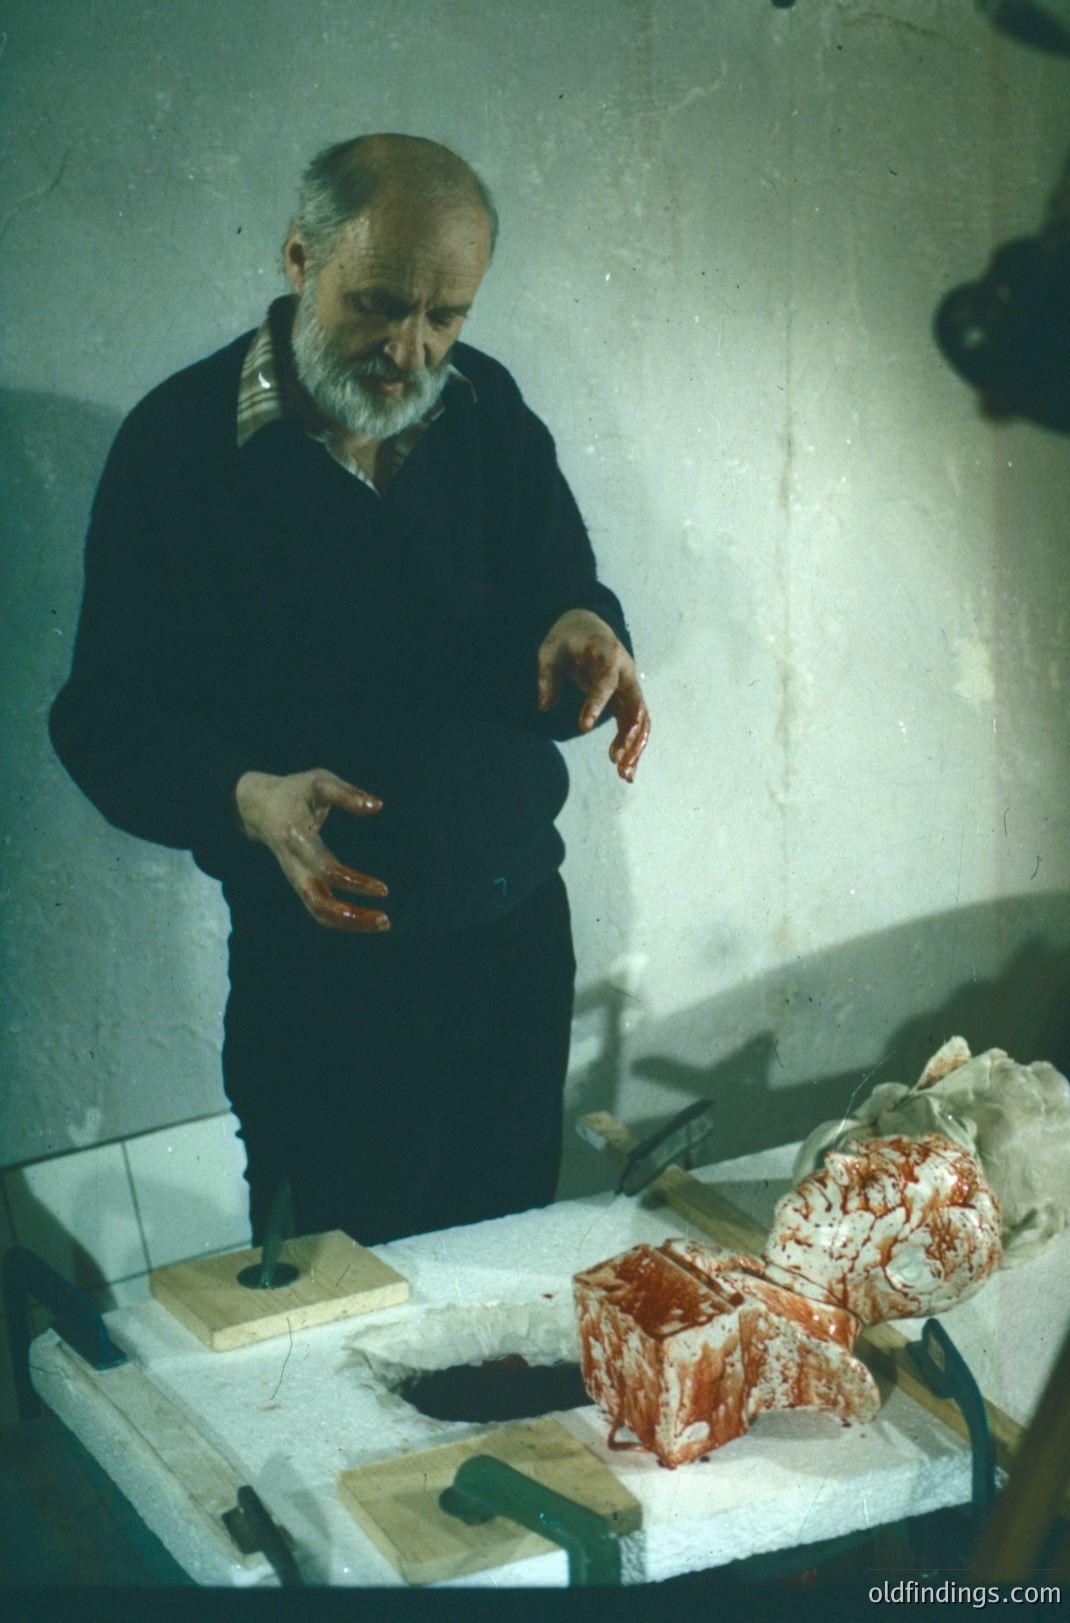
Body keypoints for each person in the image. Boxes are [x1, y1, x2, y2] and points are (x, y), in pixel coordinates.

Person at [49, 134, 649, 1246]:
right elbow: (104, 719)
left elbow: (558, 585)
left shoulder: (484, 406)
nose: (409, 350)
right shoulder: (180, 449)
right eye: (378, 305)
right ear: (295, 256)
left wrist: (584, 628)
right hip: (326, 978)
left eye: (445, 316)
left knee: (508, 1283)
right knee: (342, 1316)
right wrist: (249, 797)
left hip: (516, 944)